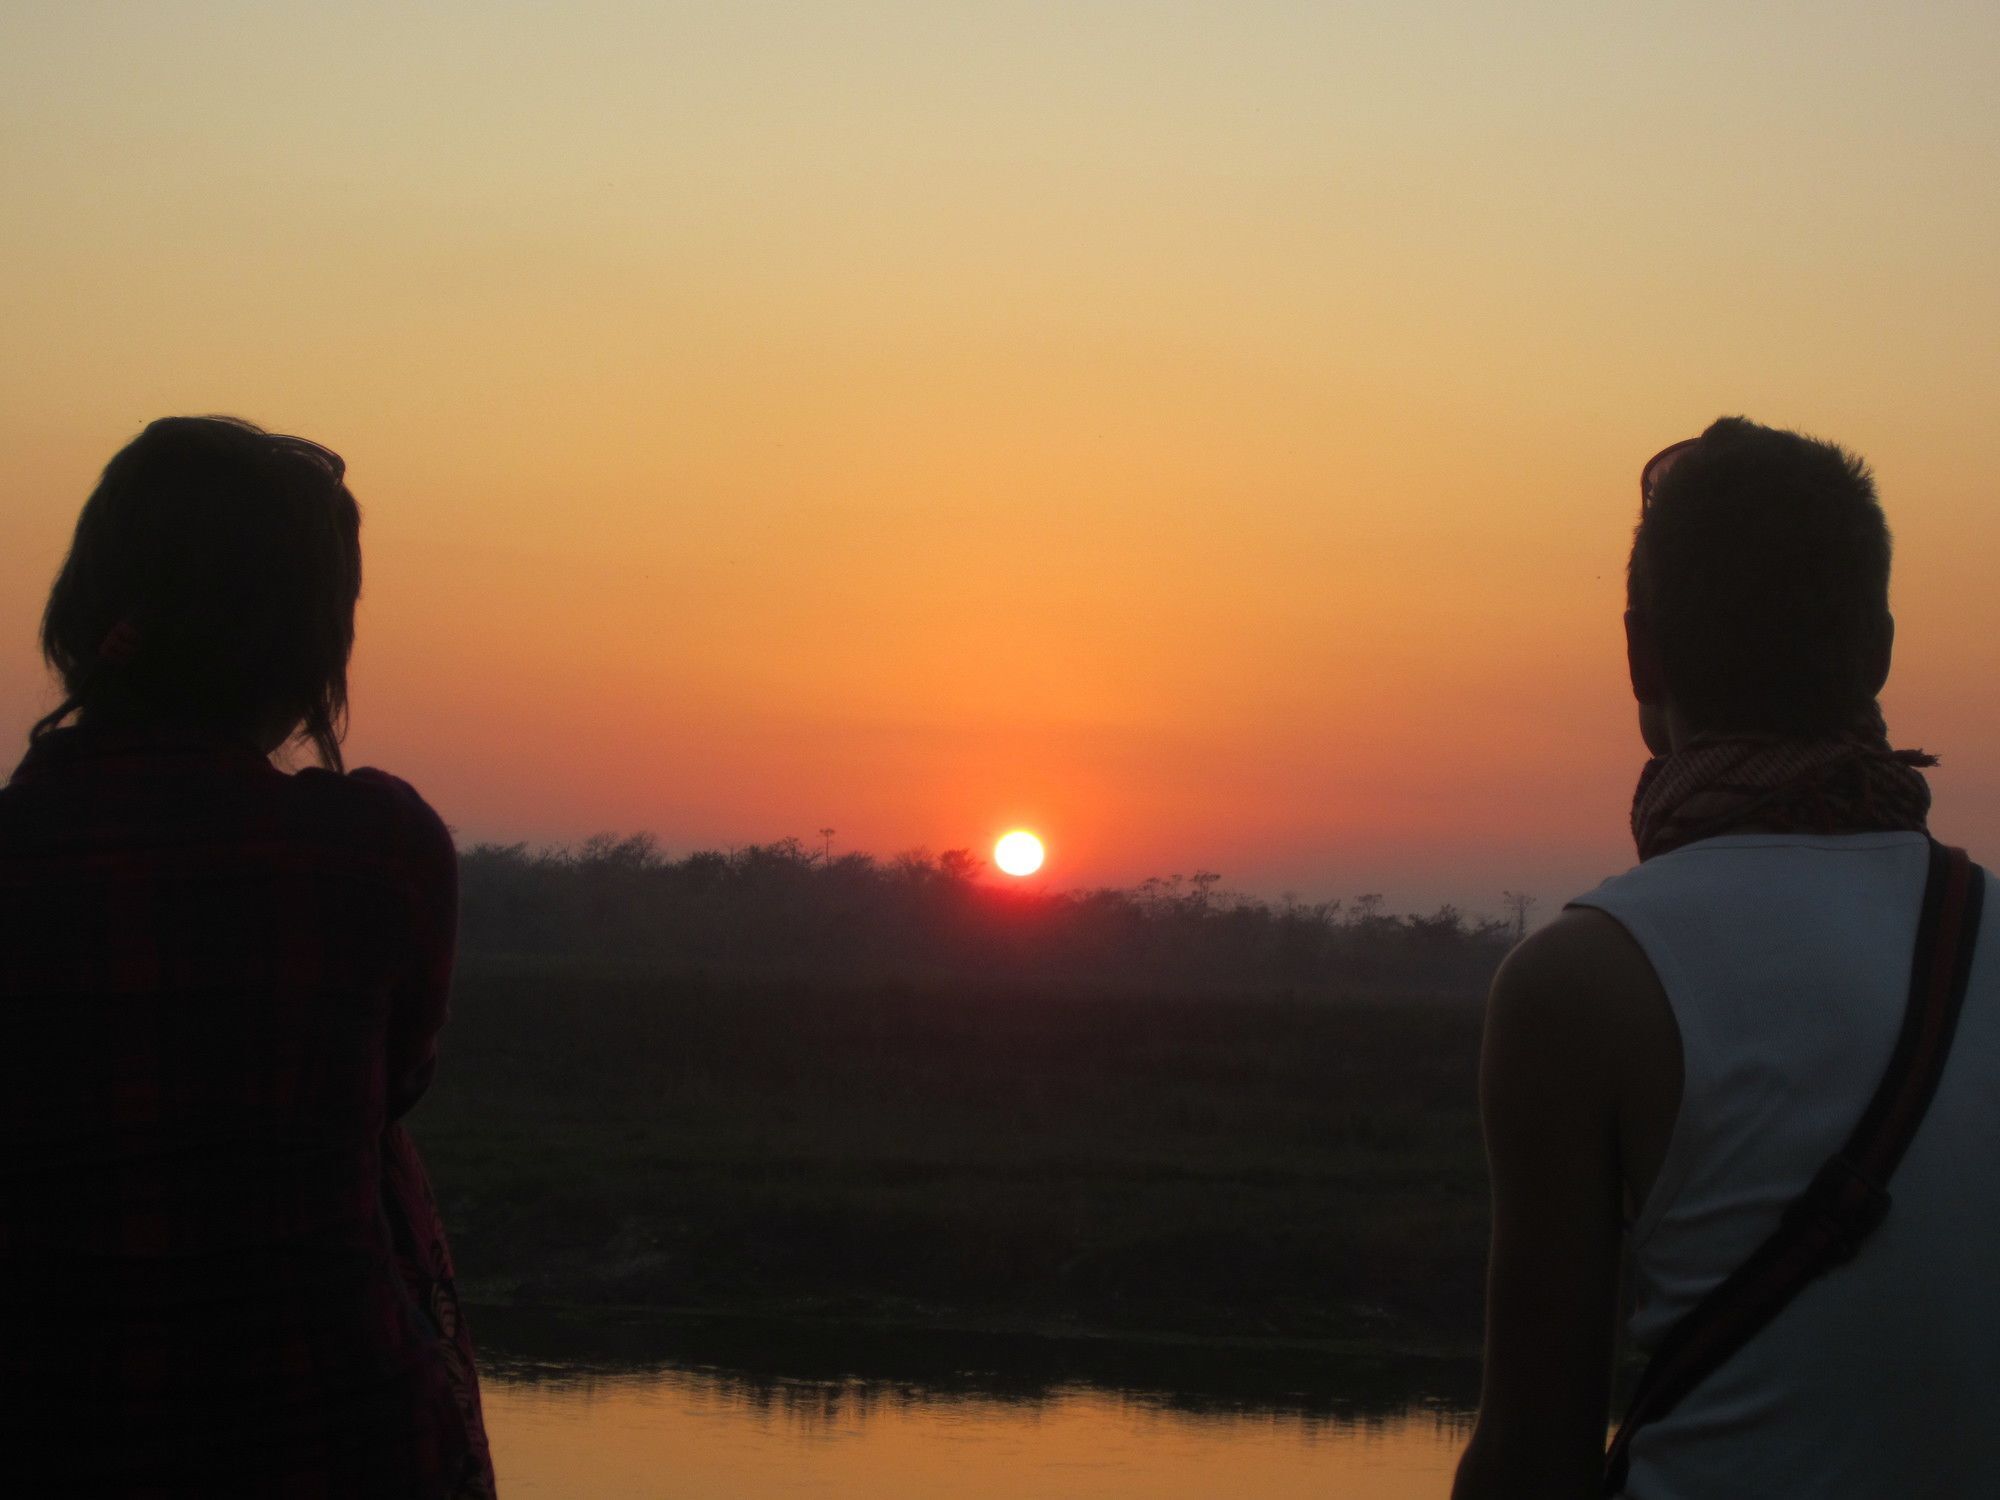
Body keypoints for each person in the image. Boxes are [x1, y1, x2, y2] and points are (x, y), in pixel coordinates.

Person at [1452, 417, 2000, 1498]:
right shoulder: (1980, 930)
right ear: (1880, 646)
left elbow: (1532, 1457)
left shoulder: (1582, 982)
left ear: (1637, 654)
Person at [0, 418, 494, 1496]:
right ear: (304, 648)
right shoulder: (376, 854)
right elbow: (389, 1090)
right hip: (336, 1440)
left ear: (89, 610)